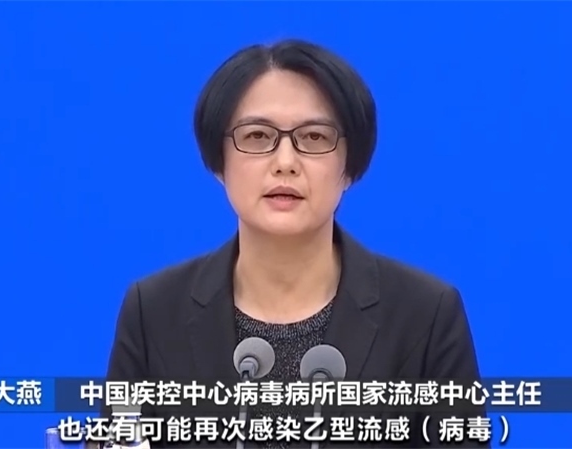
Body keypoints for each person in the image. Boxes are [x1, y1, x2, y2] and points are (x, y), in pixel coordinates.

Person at [103, 39, 486, 448]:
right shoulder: (154, 312)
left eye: (314, 137)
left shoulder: (425, 316)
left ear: (349, 166)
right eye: (257, 135)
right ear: (219, 161)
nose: (285, 162)